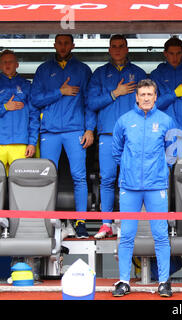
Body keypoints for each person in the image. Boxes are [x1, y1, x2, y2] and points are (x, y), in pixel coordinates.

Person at [111, 79, 176, 298]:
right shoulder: (124, 121)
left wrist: (160, 170)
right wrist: (129, 169)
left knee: (161, 235)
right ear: (136, 97)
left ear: (156, 96)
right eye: (142, 95)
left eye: (150, 94)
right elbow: (116, 151)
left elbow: (172, 152)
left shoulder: (166, 121)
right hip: (129, 186)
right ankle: (123, 281)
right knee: (127, 235)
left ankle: (164, 282)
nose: (146, 98)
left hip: (156, 185)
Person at [31, 34, 95, 238]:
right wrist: (60, 91)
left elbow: (89, 102)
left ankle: (80, 221)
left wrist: (89, 129)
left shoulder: (83, 69)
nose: (63, 46)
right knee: (48, 177)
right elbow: (35, 100)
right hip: (49, 131)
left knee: (79, 176)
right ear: (54, 45)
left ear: (73, 45)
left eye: (66, 43)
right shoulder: (43, 69)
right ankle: (48, 220)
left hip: (75, 129)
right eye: (59, 43)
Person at [87, 34, 147, 239]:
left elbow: (149, 103)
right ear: (109, 49)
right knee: (107, 179)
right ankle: (106, 224)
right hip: (108, 134)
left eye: (121, 46)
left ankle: (129, 221)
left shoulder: (138, 73)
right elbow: (91, 104)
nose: (118, 49)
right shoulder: (100, 74)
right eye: (114, 46)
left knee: (131, 179)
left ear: (127, 48)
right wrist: (115, 93)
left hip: (134, 135)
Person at [0, 49, 39, 174]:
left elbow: (34, 116)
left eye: (10, 62)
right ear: (0, 65)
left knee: (20, 184)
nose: (7, 65)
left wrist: (32, 143)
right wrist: (5, 107)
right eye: (4, 62)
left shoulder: (26, 85)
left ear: (17, 64)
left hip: (20, 142)